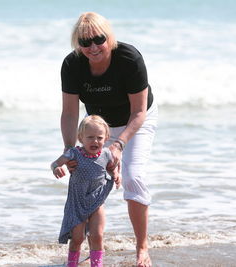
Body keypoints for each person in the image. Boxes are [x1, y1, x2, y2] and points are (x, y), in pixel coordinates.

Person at [59, 12, 158, 267]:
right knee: (85, 179)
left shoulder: (129, 58)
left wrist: (119, 144)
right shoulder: (72, 65)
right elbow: (70, 113)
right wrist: (69, 150)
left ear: (109, 37)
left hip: (135, 120)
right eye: (85, 42)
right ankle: (93, 246)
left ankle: (142, 247)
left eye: (99, 39)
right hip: (98, 127)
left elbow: (139, 112)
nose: (92, 47)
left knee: (133, 175)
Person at [51, 115, 121, 267]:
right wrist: (57, 168)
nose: (95, 141)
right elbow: (55, 163)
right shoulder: (73, 153)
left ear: (106, 137)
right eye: (90, 137)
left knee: (97, 236)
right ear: (81, 138)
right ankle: (72, 265)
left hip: (97, 200)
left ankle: (97, 265)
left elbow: (112, 167)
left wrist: (116, 175)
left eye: (99, 137)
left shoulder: (107, 154)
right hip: (77, 202)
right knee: (77, 238)